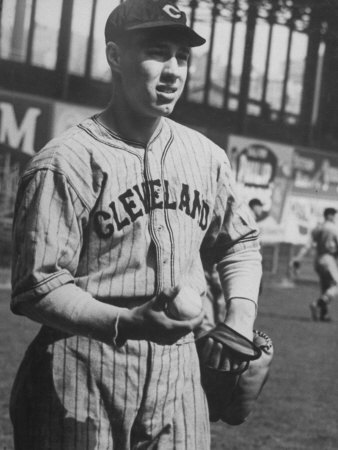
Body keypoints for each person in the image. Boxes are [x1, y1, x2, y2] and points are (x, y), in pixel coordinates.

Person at [9, 1, 262, 448]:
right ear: (115, 57)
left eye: (182, 57)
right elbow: (38, 286)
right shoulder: (64, 162)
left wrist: (241, 315)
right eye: (157, 52)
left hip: (180, 373)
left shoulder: (206, 157)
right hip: (82, 366)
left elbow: (239, 241)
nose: (173, 72)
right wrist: (126, 321)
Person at [291, 207, 338, 322]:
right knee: (336, 285)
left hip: (318, 260)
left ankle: (324, 315)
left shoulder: (318, 228)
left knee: (325, 287)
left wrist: (298, 258)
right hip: (328, 259)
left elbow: (308, 245)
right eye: (334, 215)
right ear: (330, 215)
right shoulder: (334, 228)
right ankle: (317, 304)